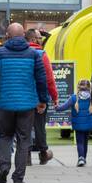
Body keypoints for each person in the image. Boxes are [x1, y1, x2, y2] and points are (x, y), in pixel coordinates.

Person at [0, 22, 48, 183]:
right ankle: (18, 178)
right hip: (27, 105)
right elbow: (41, 80)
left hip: (5, 103)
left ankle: (4, 167)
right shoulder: (33, 55)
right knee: (23, 140)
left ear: (7, 35)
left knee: (4, 136)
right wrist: (42, 100)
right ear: (24, 35)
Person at [28, 28, 58, 165]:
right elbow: (49, 78)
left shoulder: (20, 53)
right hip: (39, 96)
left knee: (24, 126)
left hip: (24, 97)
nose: (41, 40)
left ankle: (26, 156)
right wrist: (54, 96)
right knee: (40, 126)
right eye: (40, 38)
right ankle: (43, 153)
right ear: (33, 39)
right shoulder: (41, 54)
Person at [56, 78, 92, 166]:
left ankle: (81, 158)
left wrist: (56, 106)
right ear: (89, 87)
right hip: (89, 124)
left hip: (78, 125)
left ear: (78, 87)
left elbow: (62, 107)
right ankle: (83, 158)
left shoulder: (74, 98)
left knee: (80, 142)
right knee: (85, 141)